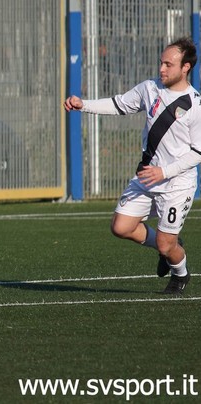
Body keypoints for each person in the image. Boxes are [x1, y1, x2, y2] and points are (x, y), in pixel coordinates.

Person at [64, 37, 200, 295]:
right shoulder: (149, 89)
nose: (162, 69)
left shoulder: (195, 105)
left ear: (186, 68)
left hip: (177, 183)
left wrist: (165, 171)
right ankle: (170, 243)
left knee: (164, 245)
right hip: (148, 177)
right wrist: (84, 105)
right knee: (121, 227)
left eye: (168, 65)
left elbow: (198, 152)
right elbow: (118, 104)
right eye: (161, 63)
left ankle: (180, 275)